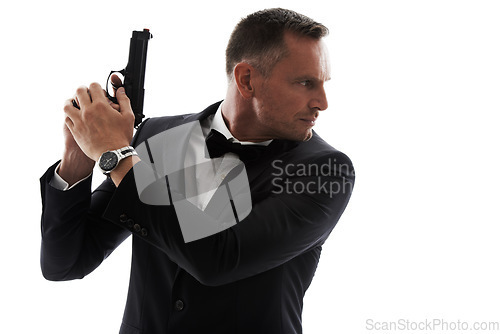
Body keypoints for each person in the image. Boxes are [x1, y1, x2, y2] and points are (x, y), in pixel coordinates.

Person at [40, 8, 355, 334]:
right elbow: (65, 263)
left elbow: (218, 259)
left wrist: (116, 154)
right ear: (247, 80)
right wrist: (77, 160)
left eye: (322, 83)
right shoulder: (158, 136)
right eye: (306, 83)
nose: (322, 102)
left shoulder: (326, 171)